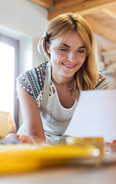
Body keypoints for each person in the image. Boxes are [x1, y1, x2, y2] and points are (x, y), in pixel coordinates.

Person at [5, 13, 109, 144]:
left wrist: (115, 140)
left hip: (74, 148)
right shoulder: (29, 82)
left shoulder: (97, 83)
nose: (72, 59)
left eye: (80, 51)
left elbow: (99, 133)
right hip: (36, 145)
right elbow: (37, 138)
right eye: (63, 49)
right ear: (48, 47)